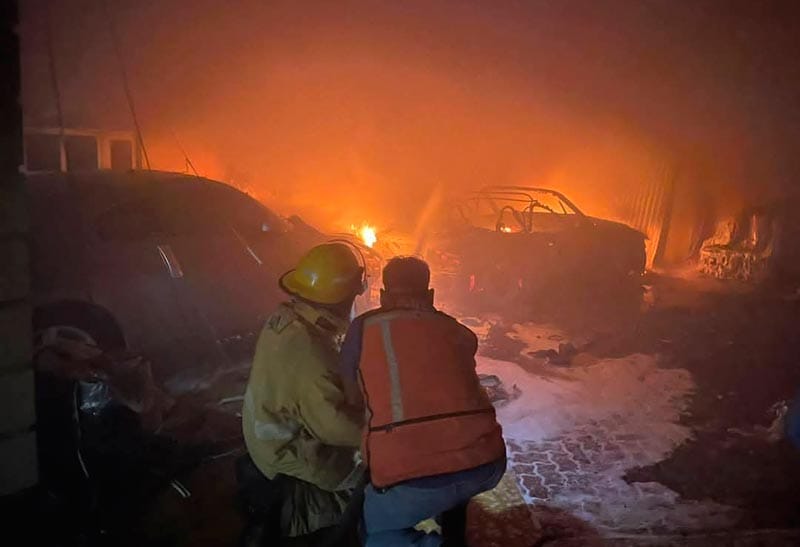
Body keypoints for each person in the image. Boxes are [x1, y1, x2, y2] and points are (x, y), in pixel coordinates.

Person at [340, 256, 506, 547]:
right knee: (452, 493)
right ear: (430, 294)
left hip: (412, 472)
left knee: (375, 534)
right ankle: (454, 531)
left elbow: (350, 392)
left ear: (382, 296)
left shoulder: (364, 328)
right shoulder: (458, 331)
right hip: (487, 461)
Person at [240, 243, 366, 541]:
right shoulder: (313, 356)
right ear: (342, 299)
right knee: (369, 485)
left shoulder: (287, 319)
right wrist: (380, 432)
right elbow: (334, 427)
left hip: (261, 435)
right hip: (284, 452)